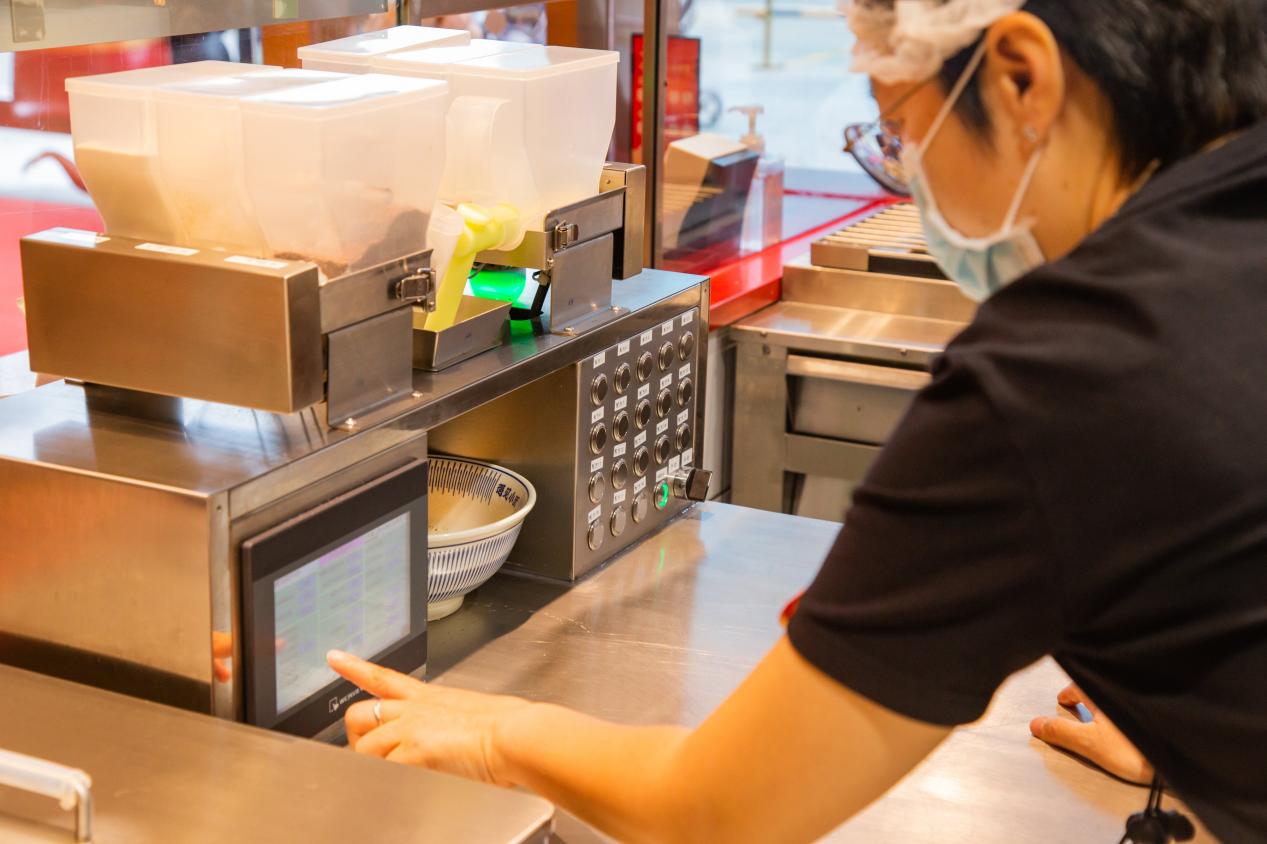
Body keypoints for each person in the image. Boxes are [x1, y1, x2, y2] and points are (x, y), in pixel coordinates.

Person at [328, 1, 1267, 840]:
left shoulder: (1065, 374)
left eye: (901, 132)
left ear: (1022, 76)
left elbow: (720, 809)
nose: (908, 180)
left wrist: (496, 734)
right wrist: (1190, 706)